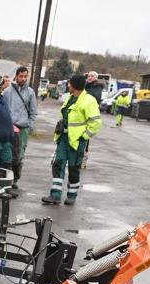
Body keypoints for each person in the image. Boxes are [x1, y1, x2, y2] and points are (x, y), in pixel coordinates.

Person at [41, 74, 101, 206]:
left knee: (74, 168)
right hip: (63, 138)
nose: (68, 86)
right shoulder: (70, 97)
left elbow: (96, 123)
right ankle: (55, 195)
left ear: (75, 86)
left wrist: (84, 137)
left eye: (70, 84)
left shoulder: (89, 101)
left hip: (77, 141)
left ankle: (72, 195)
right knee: (58, 164)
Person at [2, 66, 37, 189]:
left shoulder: (30, 92)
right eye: (21, 76)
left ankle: (15, 179)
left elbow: (33, 112)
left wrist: (30, 127)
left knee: (20, 154)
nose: (23, 78)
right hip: (10, 128)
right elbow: (3, 110)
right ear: (16, 76)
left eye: (25, 76)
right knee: (8, 153)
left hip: (22, 129)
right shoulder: (7, 92)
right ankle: (7, 178)